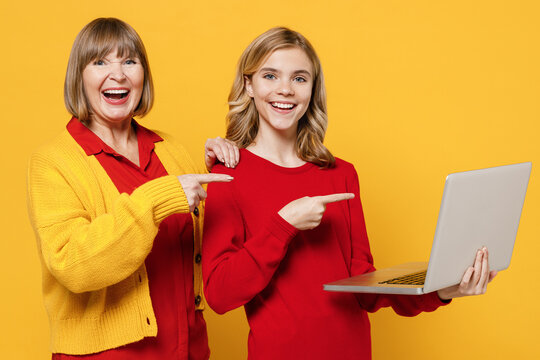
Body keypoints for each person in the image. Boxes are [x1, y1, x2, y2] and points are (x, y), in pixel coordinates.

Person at [202, 27, 497, 360]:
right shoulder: (228, 175)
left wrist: (441, 289)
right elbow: (219, 294)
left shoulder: (341, 174)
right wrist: (282, 226)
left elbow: (363, 288)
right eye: (270, 75)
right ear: (248, 85)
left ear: (313, 90)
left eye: (300, 79)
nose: (285, 89)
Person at [26, 18, 239, 359]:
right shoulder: (53, 161)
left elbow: (205, 240)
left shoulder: (169, 149)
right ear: (79, 77)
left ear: (143, 75)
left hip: (188, 349)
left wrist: (214, 173)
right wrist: (157, 201)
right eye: (100, 62)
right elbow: (71, 264)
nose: (119, 74)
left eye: (129, 61)